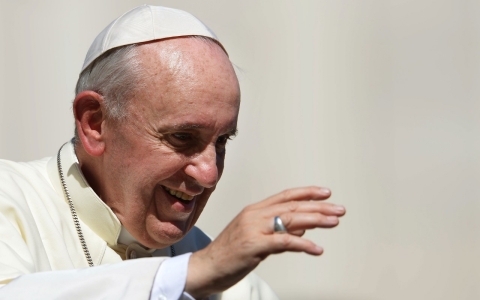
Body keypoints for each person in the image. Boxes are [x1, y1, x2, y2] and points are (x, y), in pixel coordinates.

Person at [0, 5, 345, 299]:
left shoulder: (233, 286)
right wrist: (186, 276)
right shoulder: (11, 199)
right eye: (182, 137)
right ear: (95, 123)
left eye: (222, 141)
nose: (209, 174)